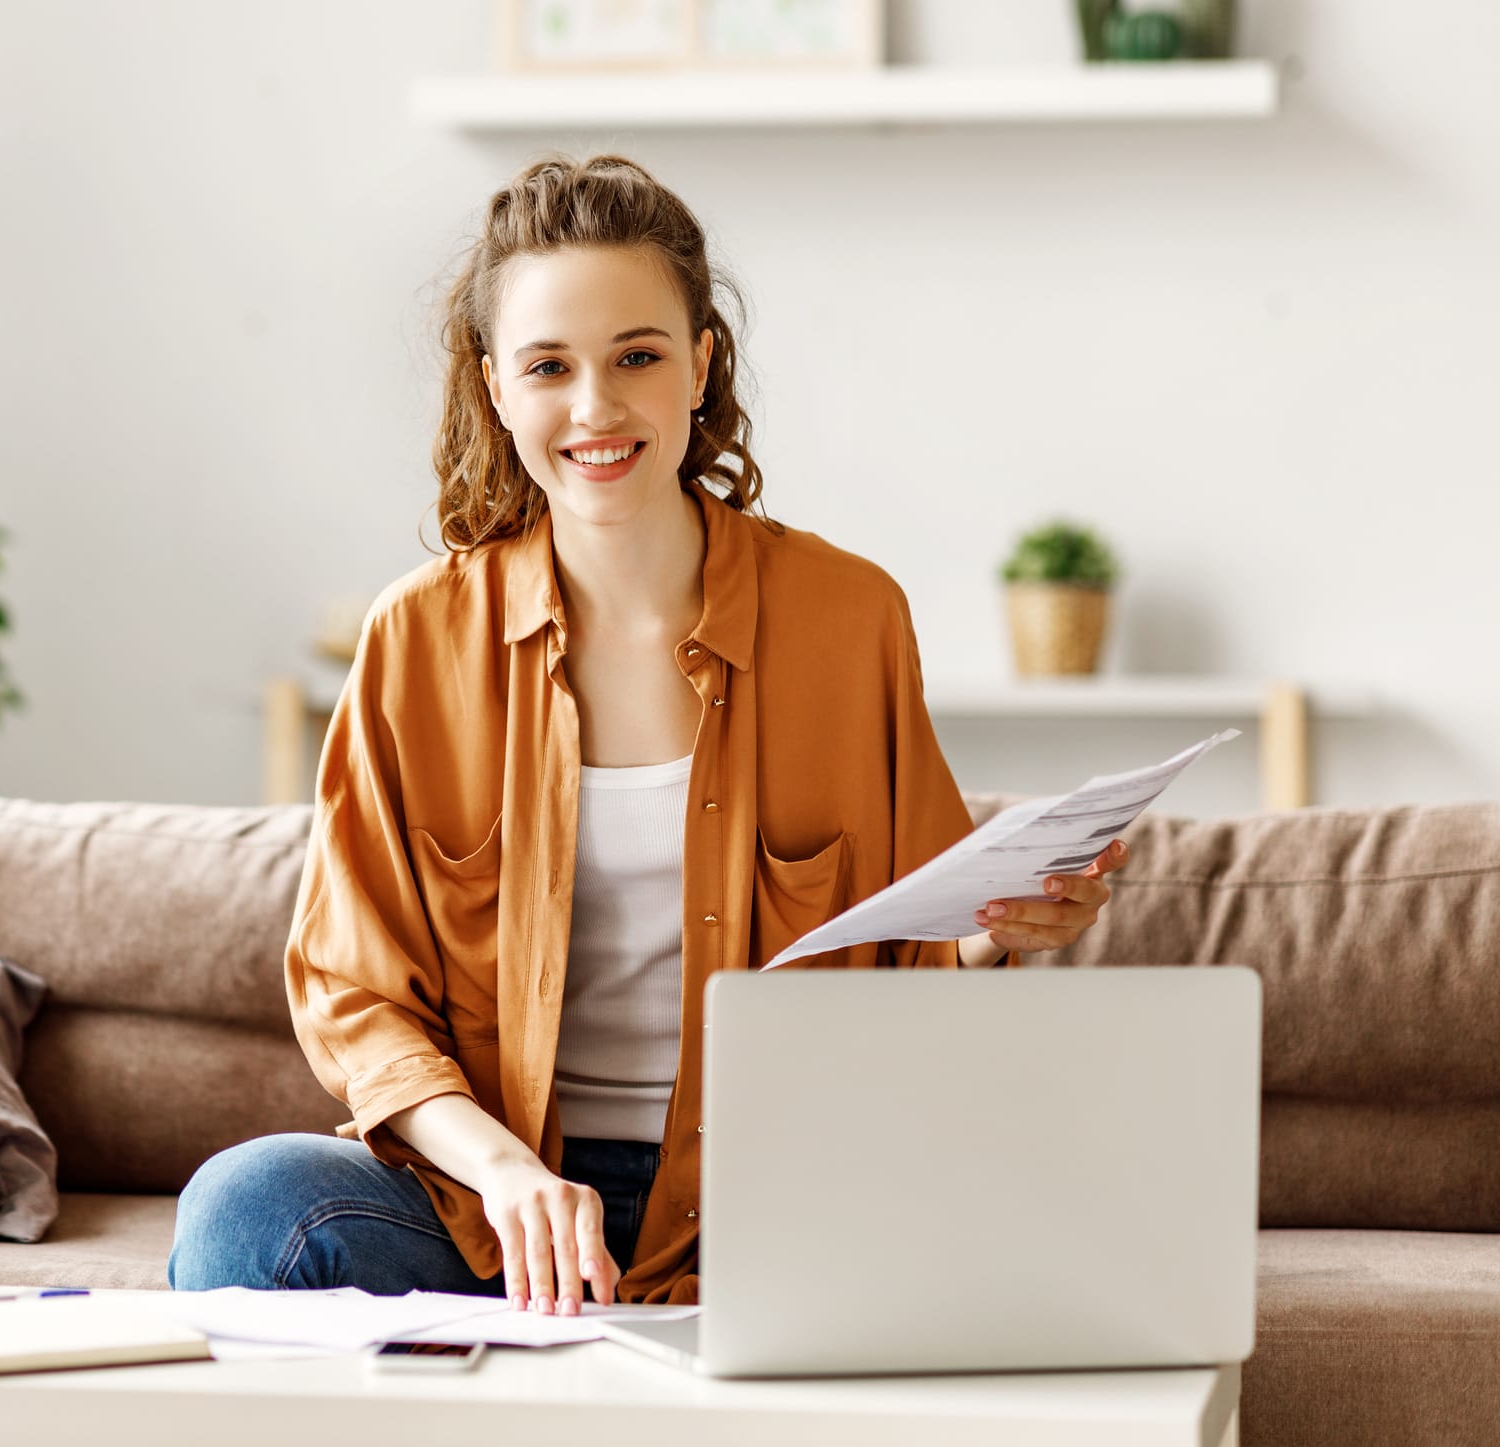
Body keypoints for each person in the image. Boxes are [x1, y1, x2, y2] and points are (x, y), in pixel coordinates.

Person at [167, 153, 1127, 1313]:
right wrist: (509, 1175)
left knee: (1032, 1223)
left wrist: (996, 927)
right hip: (490, 1216)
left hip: (769, 1202)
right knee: (250, 1204)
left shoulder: (848, 615)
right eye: (548, 367)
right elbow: (352, 992)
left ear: (699, 363)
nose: (595, 408)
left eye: (636, 355)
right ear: (493, 389)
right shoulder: (414, 641)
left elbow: (912, 957)